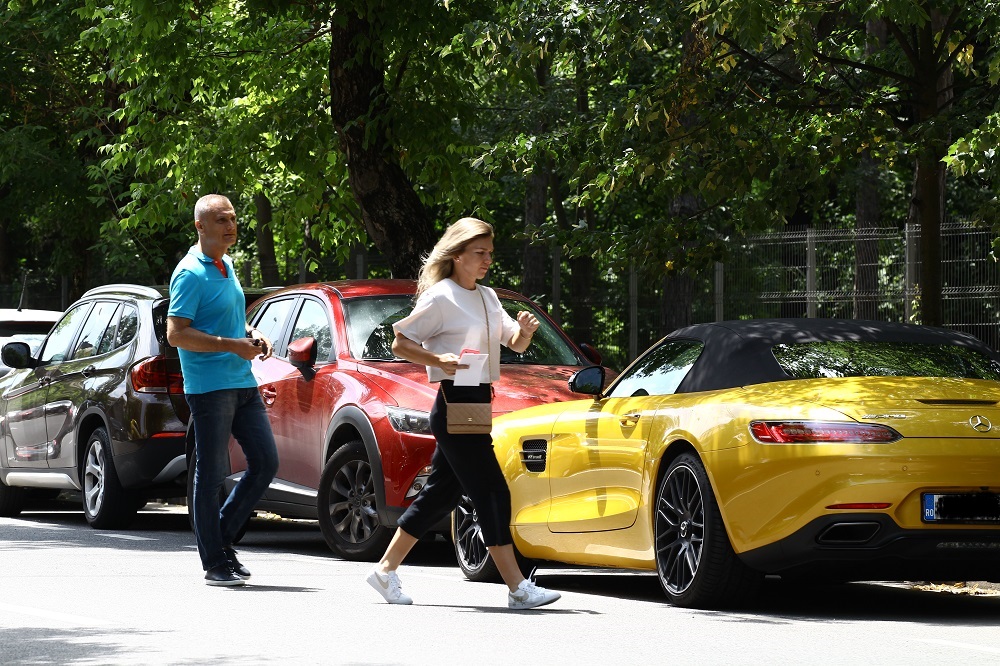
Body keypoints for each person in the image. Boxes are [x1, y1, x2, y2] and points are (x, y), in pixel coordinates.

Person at [366, 217, 561, 610]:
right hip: (453, 400)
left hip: (477, 400)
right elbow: (401, 343)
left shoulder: (488, 297)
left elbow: (515, 343)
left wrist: (525, 330)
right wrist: (438, 359)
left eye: (490, 253)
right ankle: (517, 587)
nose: (488, 259)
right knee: (492, 490)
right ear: (457, 255)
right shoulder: (441, 297)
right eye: (479, 252)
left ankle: (385, 570)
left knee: (440, 495)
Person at [167, 194, 279, 587]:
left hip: (243, 382)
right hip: (210, 387)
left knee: (265, 463)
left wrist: (252, 333)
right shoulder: (189, 273)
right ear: (200, 226)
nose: (231, 226)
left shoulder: (226, 264)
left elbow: (228, 319)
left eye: (232, 219)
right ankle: (214, 561)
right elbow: (176, 334)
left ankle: (221, 539)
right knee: (211, 475)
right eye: (221, 220)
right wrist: (232, 345)